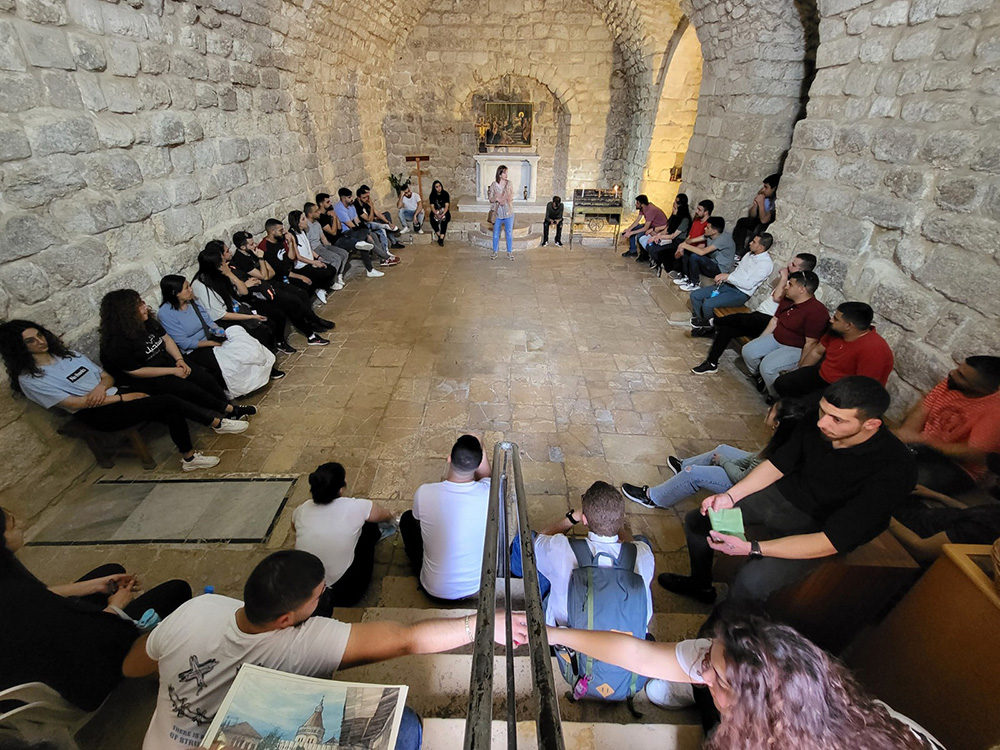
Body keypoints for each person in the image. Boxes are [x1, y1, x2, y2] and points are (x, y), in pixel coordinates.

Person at [123, 550, 517, 750]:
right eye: (317, 595)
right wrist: (482, 624)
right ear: (285, 620)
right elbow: (405, 638)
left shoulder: (196, 609)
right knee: (406, 727)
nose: (324, 596)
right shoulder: (304, 642)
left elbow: (134, 666)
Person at [659, 377, 917, 606]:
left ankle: (724, 643)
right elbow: (778, 464)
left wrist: (752, 548)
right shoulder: (816, 422)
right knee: (698, 520)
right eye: (823, 412)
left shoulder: (895, 469)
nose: (822, 423)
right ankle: (700, 584)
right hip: (784, 495)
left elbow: (832, 540)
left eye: (837, 419)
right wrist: (730, 496)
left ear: (871, 424)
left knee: (750, 582)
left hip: (821, 526)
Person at [517, 611, 943, 749]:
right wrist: (546, 632)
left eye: (714, 676)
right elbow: (639, 654)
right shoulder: (820, 701)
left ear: (757, 708)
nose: (701, 672)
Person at [0, 507, 191, 712]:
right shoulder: (21, 602)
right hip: (74, 678)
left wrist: (96, 585)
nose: (20, 524)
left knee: (111, 571)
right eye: (11, 525)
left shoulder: (11, 588)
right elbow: (87, 640)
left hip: (29, 663)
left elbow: (42, 596)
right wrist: (116, 608)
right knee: (176, 590)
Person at [0, 320, 226, 471]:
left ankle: (189, 458)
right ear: (18, 347)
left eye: (40, 335)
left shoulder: (68, 356)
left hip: (111, 394)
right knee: (168, 401)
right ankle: (216, 421)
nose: (41, 341)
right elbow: (75, 402)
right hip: (96, 413)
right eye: (31, 340)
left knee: (170, 408)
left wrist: (100, 388)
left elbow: (106, 376)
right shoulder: (31, 379)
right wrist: (120, 398)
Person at [621, 398, 809, 510]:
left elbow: (742, 478)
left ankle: (654, 497)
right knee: (722, 449)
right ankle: (682, 467)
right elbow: (754, 458)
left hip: (749, 489)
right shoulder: (788, 437)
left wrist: (723, 462)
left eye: (771, 411)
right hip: (751, 471)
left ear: (778, 423)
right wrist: (724, 457)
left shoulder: (781, 453)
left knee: (695, 473)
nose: (767, 411)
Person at [99, 289, 256, 422]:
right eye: (139, 305)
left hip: (167, 362)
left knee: (203, 378)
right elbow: (135, 371)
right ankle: (227, 411)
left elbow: (166, 339)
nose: (145, 307)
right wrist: (173, 371)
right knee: (188, 388)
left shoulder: (147, 323)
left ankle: (227, 407)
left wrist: (179, 360)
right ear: (125, 313)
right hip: (150, 377)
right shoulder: (114, 344)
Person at [525, 481, 654, 628]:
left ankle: (513, 570)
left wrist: (573, 517)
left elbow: (539, 540)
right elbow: (636, 545)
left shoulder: (561, 549)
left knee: (527, 539)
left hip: (570, 643)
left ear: (584, 520)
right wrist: (615, 525)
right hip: (628, 640)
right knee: (642, 541)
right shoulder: (644, 554)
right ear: (622, 518)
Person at [690, 270, 828, 389]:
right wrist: (759, 342)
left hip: (793, 347)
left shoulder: (816, 312)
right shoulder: (788, 300)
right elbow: (775, 320)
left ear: (801, 289)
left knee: (767, 367)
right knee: (748, 350)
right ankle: (757, 376)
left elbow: (811, 343)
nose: (786, 287)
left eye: (790, 284)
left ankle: (774, 394)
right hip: (776, 337)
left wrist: (800, 369)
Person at [293, 462, 396, 613]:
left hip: (307, 593)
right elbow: (384, 515)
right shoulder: (355, 507)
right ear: (341, 489)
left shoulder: (301, 510)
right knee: (368, 526)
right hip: (345, 593)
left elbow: (294, 528)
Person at [399, 435, 492, 600]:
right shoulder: (489, 493)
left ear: (449, 459)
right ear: (478, 465)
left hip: (433, 590)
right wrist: (480, 444)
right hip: (476, 588)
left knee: (407, 519)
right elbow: (487, 476)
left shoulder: (424, 492)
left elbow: (419, 524)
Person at [892, 356, 1000, 494]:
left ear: (983, 388)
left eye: (962, 376)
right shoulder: (952, 382)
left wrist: (924, 441)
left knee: (901, 480)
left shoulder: (995, 412)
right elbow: (920, 412)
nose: (952, 373)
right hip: (922, 447)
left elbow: (973, 454)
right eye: (958, 369)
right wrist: (904, 436)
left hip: (957, 467)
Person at [158, 275, 279, 395]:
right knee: (228, 360)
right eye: (187, 288)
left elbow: (209, 321)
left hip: (210, 337)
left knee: (241, 337)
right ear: (175, 293)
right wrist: (211, 343)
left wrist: (219, 331)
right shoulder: (166, 314)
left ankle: (264, 369)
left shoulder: (192, 302)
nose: (191, 289)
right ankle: (238, 387)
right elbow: (183, 342)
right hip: (194, 349)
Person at [889, 454, 1000, 564]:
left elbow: (920, 549)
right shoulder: (991, 515)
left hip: (907, 531)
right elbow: (972, 512)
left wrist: (883, 515)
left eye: (995, 475)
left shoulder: (988, 525)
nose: (986, 474)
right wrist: (936, 495)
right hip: (921, 515)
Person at [228, 231, 333, 346]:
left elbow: (270, 273)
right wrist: (261, 259)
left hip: (271, 282)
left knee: (301, 293)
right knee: (293, 301)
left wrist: (262, 265)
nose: (255, 245)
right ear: (243, 247)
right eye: (252, 244)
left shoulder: (253, 252)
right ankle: (312, 329)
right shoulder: (241, 259)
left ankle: (312, 323)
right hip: (262, 290)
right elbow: (264, 276)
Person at [773, 301, 894, 400]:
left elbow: (862, 388)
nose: (831, 320)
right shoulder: (836, 332)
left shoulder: (874, 349)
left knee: (808, 407)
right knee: (782, 384)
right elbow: (817, 351)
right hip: (822, 375)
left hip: (842, 389)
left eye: (836, 319)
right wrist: (800, 371)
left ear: (848, 326)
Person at [193, 244, 284, 370]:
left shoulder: (222, 275)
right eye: (223, 262)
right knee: (259, 332)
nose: (226, 263)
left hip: (236, 308)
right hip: (222, 321)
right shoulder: (202, 285)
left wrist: (230, 274)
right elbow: (221, 315)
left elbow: (243, 291)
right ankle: (265, 367)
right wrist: (249, 317)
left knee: (271, 321)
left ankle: (269, 356)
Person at [687, 230, 772, 331]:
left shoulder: (765, 264)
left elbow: (748, 284)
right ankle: (703, 321)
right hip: (728, 285)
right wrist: (725, 279)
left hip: (740, 293)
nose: (750, 243)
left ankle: (709, 328)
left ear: (761, 247)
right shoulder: (749, 254)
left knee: (708, 305)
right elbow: (738, 271)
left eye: (754, 242)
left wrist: (728, 277)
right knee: (695, 295)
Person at [676, 216, 737, 293]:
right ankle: (686, 277)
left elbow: (702, 252)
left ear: (714, 231)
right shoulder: (710, 234)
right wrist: (683, 244)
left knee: (695, 256)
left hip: (719, 267)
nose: (705, 229)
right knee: (688, 252)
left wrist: (684, 245)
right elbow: (692, 241)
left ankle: (695, 283)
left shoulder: (723, 239)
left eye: (707, 228)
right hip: (711, 261)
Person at [334, 187, 387, 276]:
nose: (351, 199)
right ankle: (375, 266)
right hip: (346, 233)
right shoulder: (339, 209)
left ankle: (382, 256)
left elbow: (357, 221)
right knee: (364, 243)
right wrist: (365, 233)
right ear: (343, 198)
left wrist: (365, 231)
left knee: (371, 234)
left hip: (354, 230)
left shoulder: (351, 206)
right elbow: (351, 225)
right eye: (349, 197)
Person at [303, 201, 349, 289]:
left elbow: (323, 238)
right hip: (315, 249)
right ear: (310, 214)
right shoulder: (306, 226)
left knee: (344, 253)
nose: (319, 212)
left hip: (322, 246)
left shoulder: (317, 223)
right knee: (336, 259)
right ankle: (331, 282)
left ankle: (339, 274)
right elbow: (307, 245)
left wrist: (330, 248)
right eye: (316, 211)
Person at [732, 173, 780, 256]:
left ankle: (746, 253)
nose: (763, 190)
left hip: (765, 225)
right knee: (742, 222)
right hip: (760, 221)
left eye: (766, 187)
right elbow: (752, 215)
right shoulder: (765, 198)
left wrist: (761, 204)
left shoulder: (776, 202)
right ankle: (738, 251)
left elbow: (764, 220)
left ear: (774, 188)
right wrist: (756, 204)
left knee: (759, 227)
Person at [667, 199, 713, 281]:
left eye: (699, 210)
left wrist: (686, 247)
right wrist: (682, 245)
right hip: (689, 245)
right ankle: (679, 272)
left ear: (706, 212)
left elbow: (703, 243)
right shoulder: (696, 221)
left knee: (687, 255)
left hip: (697, 248)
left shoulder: (709, 225)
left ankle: (687, 277)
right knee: (675, 249)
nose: (696, 211)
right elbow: (689, 236)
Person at [647, 193, 691, 276]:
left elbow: (673, 236)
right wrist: (658, 236)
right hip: (670, 239)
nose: (673, 208)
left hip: (677, 241)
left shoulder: (685, 220)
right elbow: (667, 229)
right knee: (651, 246)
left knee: (657, 250)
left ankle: (661, 265)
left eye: (675, 206)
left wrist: (659, 236)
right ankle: (657, 262)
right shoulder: (675, 217)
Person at [355, 184, 405, 258]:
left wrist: (389, 222)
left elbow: (377, 213)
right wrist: (371, 206)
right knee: (376, 224)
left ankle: (386, 252)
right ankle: (387, 227)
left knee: (382, 230)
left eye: (368, 196)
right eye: (365, 197)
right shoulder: (357, 206)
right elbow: (369, 220)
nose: (367, 198)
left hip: (372, 223)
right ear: (359, 198)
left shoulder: (365, 202)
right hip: (366, 225)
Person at [620, 194, 668, 260]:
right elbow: (637, 221)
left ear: (642, 204)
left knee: (640, 235)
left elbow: (645, 228)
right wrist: (629, 230)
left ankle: (644, 255)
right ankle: (633, 251)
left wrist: (631, 233)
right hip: (651, 226)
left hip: (658, 229)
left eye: (637, 203)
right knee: (633, 229)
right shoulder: (643, 208)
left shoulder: (650, 211)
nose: (636, 204)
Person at [488, 165, 515, 260]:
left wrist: (505, 198)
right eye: (504, 172)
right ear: (499, 174)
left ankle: (509, 252)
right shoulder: (494, 185)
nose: (506, 174)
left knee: (509, 233)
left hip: (508, 212)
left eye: (506, 172)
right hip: (498, 213)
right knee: (496, 233)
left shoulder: (509, 183)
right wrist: (497, 198)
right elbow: (490, 199)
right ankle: (495, 251)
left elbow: (512, 195)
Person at [428, 180, 451, 246]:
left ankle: (441, 239)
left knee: (444, 221)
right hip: (436, 212)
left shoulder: (445, 194)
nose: (439, 188)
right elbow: (432, 207)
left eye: (439, 186)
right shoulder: (432, 195)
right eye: (437, 187)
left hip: (444, 212)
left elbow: (447, 206)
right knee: (432, 220)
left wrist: (443, 214)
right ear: (434, 188)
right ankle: (439, 235)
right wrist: (436, 213)